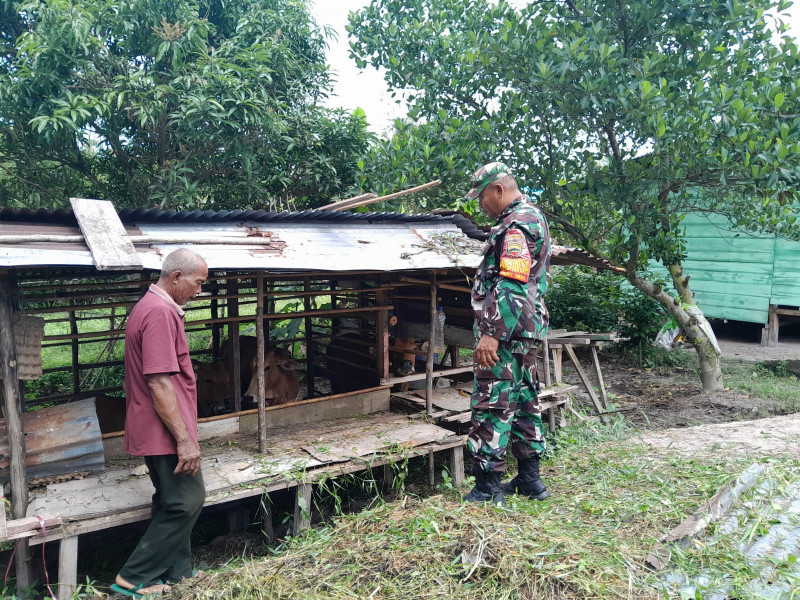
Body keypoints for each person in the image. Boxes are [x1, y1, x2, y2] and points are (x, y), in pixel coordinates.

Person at [112, 248, 208, 597]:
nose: (200, 291)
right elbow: (160, 382)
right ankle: (132, 579)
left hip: (159, 427)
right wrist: (184, 439)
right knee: (187, 501)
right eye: (198, 283)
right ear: (176, 277)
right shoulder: (158, 313)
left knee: (172, 500)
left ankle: (177, 575)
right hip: (163, 430)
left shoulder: (153, 308)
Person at [462, 162, 552, 506]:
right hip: (525, 329)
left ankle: (487, 488)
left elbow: (512, 280)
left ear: (498, 189)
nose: (480, 204)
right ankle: (530, 479)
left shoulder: (516, 224)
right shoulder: (533, 217)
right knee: (525, 400)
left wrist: (492, 334)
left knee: (491, 402)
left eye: (482, 196)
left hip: (508, 330)